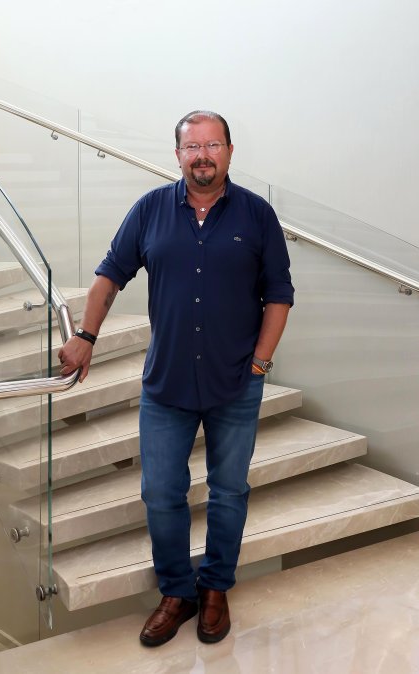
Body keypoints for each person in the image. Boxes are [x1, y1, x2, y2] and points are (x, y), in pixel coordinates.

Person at [58, 110, 294, 647]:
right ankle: (177, 592)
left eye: (212, 145)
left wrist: (259, 364)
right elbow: (109, 276)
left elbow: (279, 295)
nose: (202, 155)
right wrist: (86, 335)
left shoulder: (257, 215)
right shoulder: (149, 211)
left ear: (229, 151)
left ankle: (214, 589)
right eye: (193, 147)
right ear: (178, 155)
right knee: (161, 492)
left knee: (228, 491)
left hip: (236, 383)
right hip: (167, 383)